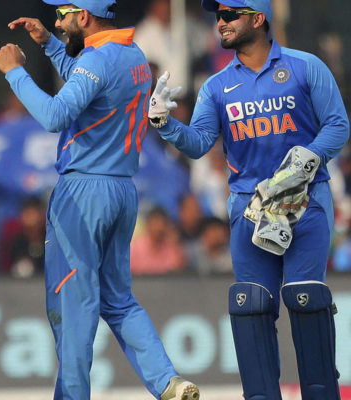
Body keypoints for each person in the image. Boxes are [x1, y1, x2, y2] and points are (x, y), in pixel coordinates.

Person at [0, 1, 199, 399]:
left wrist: (14, 71)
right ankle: (167, 380)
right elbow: (90, 81)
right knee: (118, 299)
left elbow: (55, 115)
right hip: (122, 191)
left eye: (62, 14)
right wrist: (49, 44)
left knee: (74, 306)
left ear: (84, 16)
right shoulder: (132, 54)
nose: (56, 21)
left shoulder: (97, 61)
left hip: (83, 194)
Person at [148, 0, 349, 398]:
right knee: (251, 306)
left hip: (305, 202)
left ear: (258, 18)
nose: (220, 22)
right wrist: (165, 124)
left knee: (306, 300)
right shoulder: (216, 86)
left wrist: (308, 158)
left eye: (229, 15)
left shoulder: (305, 67)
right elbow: (199, 143)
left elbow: (337, 125)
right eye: (218, 15)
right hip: (249, 208)